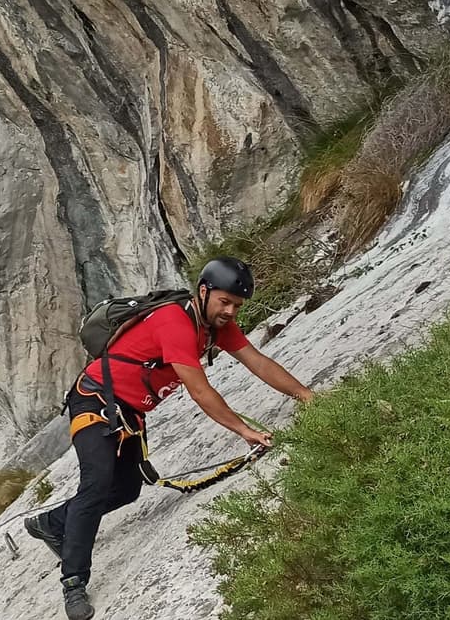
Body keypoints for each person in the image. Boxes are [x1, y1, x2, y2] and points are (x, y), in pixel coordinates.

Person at [24, 257, 314, 619]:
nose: (230, 311)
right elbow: (200, 391)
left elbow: (257, 361)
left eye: (237, 306)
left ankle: (51, 524)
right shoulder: (174, 322)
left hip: (128, 411)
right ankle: (74, 581)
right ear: (204, 292)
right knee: (96, 482)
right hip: (95, 398)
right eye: (225, 302)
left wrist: (306, 396)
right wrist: (245, 431)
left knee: (127, 488)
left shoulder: (215, 328)